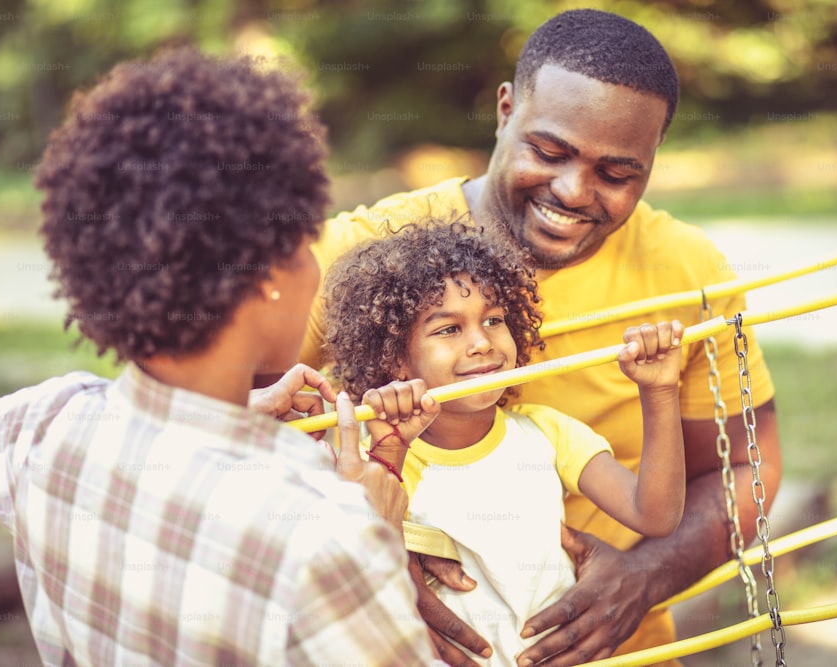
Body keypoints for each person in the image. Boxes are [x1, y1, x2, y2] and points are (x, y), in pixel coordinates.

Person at [295, 9, 782, 667]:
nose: (573, 191)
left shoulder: (688, 271)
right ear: (505, 110)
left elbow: (745, 466)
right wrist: (374, 556)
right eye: (548, 152)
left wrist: (644, 579)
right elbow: (223, 434)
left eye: (617, 174)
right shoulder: (359, 256)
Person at [0, 48, 443, 666]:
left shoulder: (43, 422)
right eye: (307, 242)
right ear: (268, 273)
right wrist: (383, 529)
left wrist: (226, 415)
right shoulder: (326, 535)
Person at [322, 221, 688, 666]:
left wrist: (660, 392)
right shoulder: (371, 454)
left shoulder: (548, 434)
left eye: (494, 320)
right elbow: (355, 568)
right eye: (448, 330)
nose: (481, 343)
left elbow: (655, 515)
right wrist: (391, 450)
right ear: (395, 359)